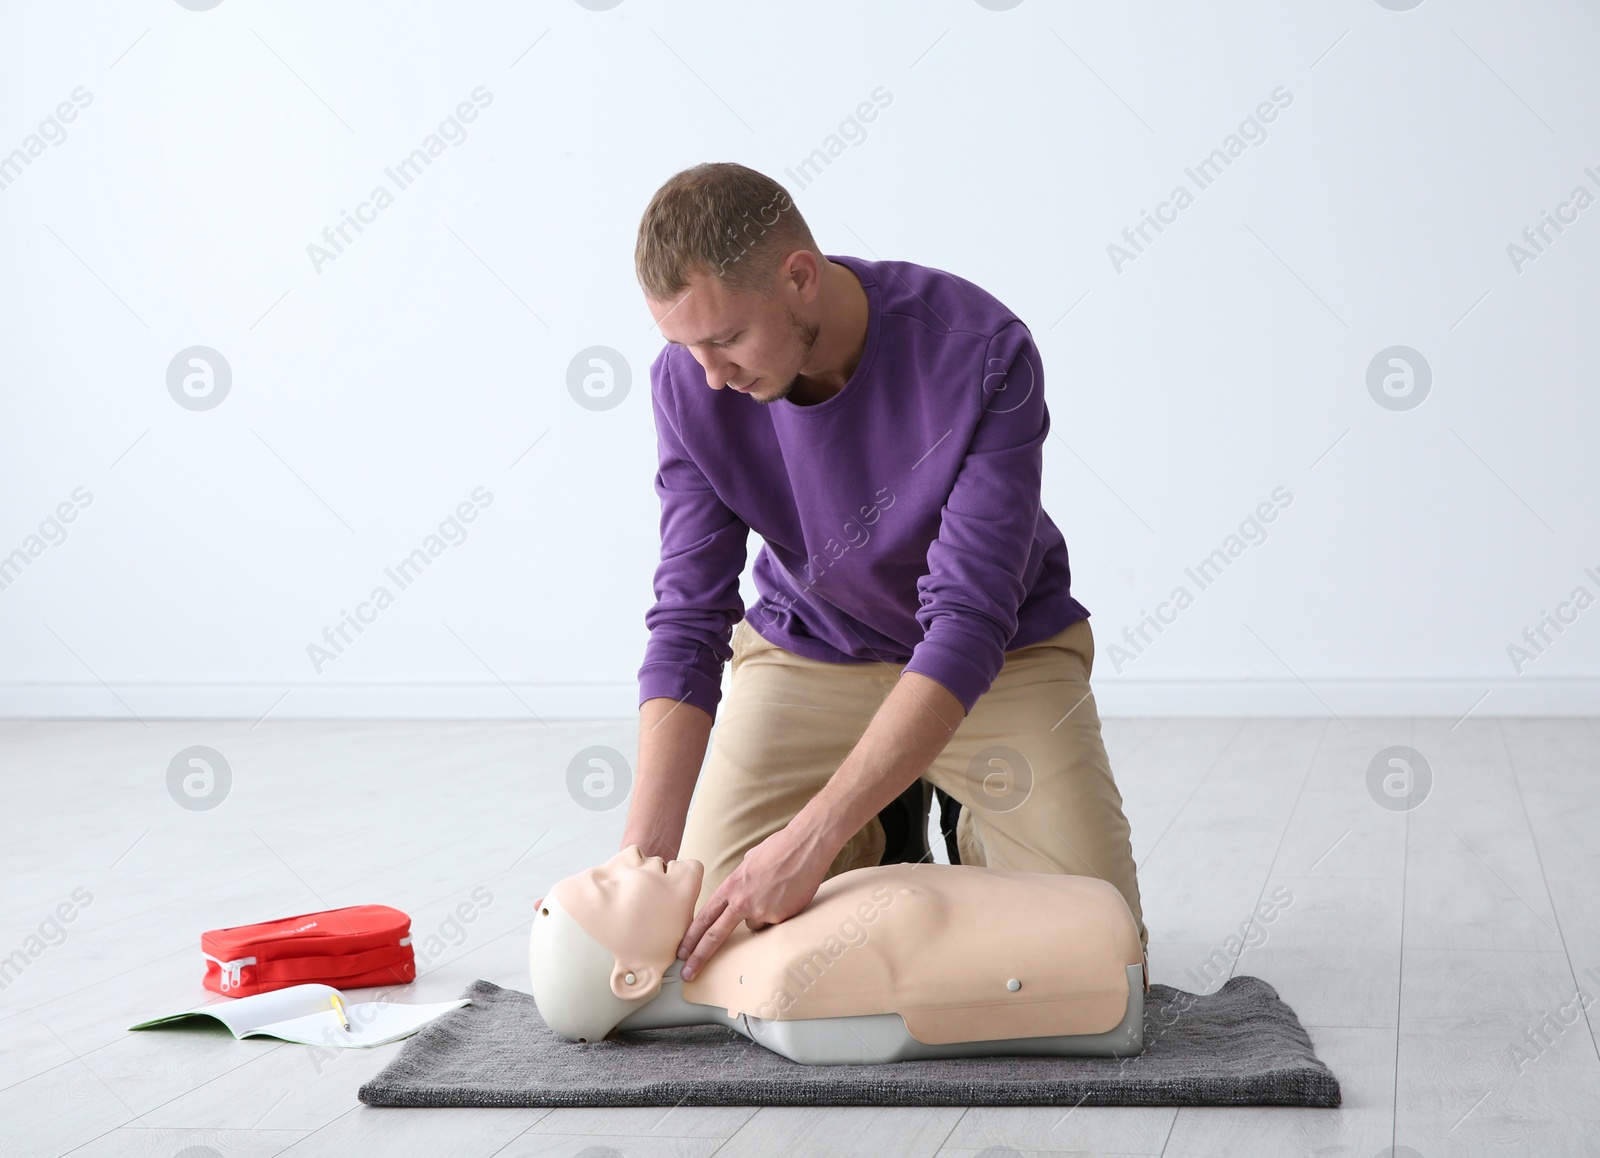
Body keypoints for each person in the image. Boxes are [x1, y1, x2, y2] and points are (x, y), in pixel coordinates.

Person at [622, 161, 1147, 984]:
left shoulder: (981, 351)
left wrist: (810, 839)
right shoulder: (691, 384)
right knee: (703, 957)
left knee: (1099, 967)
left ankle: (901, 816)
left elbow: (970, 621)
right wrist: (638, 873)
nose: (712, 374)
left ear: (799, 277)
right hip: (812, 650)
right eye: (685, 346)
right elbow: (689, 617)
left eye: (725, 338)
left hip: (999, 658)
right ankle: (882, 819)